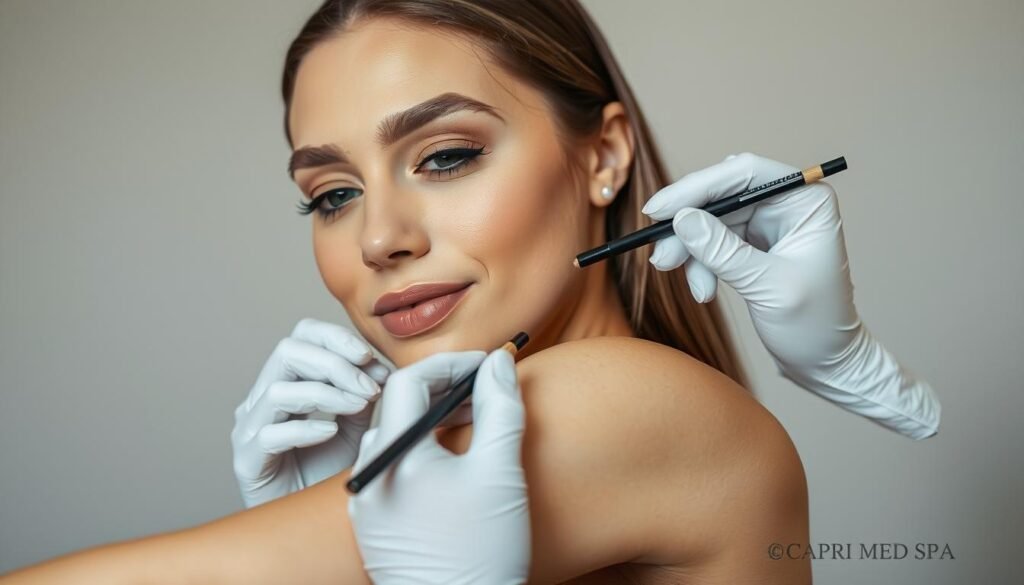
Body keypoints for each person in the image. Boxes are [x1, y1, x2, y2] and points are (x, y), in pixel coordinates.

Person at [1, 0, 933, 581]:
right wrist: (313, 525)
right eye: (332, 195)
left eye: (446, 156)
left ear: (604, 156)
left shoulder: (623, 398)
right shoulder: (543, 433)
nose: (379, 238)